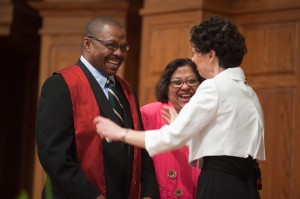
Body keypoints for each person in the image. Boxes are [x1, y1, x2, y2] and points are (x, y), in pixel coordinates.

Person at [94, 15, 266, 199]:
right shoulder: (247, 91)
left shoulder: (213, 87)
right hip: (246, 186)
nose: (193, 59)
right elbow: (223, 144)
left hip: (219, 183)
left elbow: (170, 137)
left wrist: (120, 133)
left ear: (210, 55)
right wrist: (182, 127)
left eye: (195, 53)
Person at [35, 16, 159, 199]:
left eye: (123, 48)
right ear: (88, 44)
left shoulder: (127, 90)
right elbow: (53, 154)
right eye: (111, 45)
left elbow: (140, 148)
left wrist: (148, 193)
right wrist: (92, 196)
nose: (119, 53)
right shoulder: (61, 85)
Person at [141, 58, 203, 199]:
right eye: (177, 82)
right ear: (166, 86)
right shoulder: (147, 114)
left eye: (192, 81)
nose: (185, 87)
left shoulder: (208, 116)